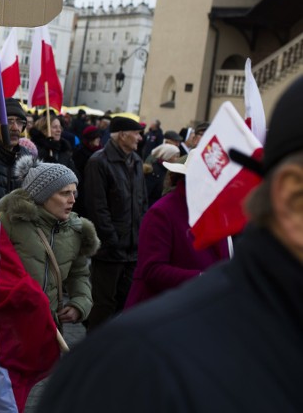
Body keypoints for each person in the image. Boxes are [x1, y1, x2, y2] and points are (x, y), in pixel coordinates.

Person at [40, 76, 303, 413]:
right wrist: (119, 243)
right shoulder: (135, 367)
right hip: (124, 263)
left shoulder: (205, 212)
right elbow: (118, 224)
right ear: (293, 198)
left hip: (155, 277)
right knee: (103, 308)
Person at [0, 158, 99, 328]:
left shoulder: (75, 230)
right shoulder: (8, 223)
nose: (72, 199)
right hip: (9, 325)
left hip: (50, 327)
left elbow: (79, 274)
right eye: (65, 193)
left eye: (74, 193)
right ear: (42, 195)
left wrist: (79, 303)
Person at [124, 155, 230, 309]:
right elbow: (152, 269)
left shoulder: (215, 212)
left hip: (200, 309)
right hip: (161, 312)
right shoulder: (162, 212)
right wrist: (202, 278)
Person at [82, 115, 147, 331]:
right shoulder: (98, 162)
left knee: (126, 303)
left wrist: (140, 236)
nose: (140, 138)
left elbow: (142, 202)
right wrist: (113, 240)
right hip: (110, 251)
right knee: (103, 304)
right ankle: (93, 353)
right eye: (136, 133)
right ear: (122, 135)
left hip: (133, 249)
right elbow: (97, 207)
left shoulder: (136, 161)